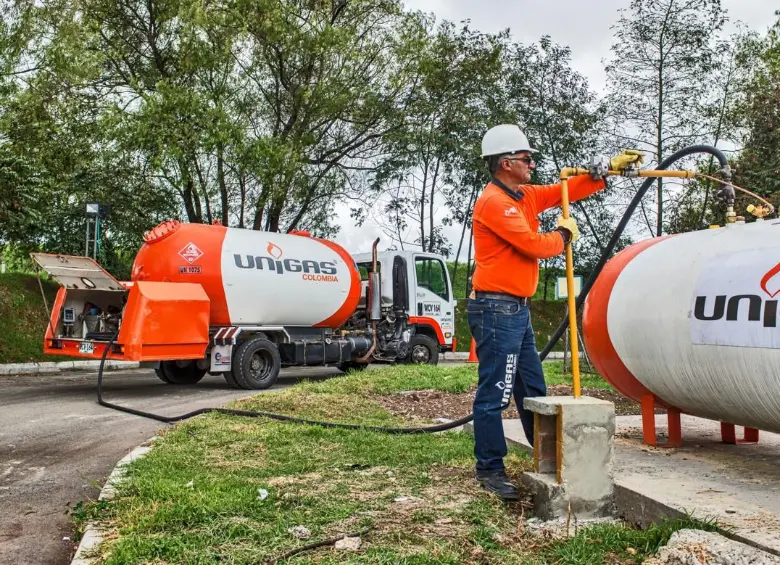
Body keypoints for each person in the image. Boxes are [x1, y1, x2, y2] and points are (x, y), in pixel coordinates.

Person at [467, 124, 642, 500]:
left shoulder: (524, 195)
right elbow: (533, 245)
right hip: (496, 309)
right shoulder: (495, 203)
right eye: (527, 158)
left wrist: (605, 171)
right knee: (495, 394)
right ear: (506, 162)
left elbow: (563, 190)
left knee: (532, 388)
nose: (532, 164)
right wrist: (563, 235)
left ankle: (545, 459)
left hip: (515, 309)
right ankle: (490, 470)